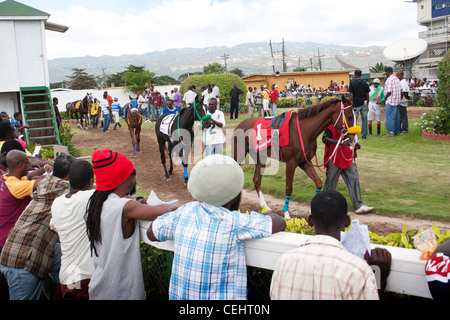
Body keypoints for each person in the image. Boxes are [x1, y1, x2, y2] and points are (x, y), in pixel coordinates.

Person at [147, 154, 286, 300]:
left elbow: (151, 232)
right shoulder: (234, 222)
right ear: (233, 197)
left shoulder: (184, 211)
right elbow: (278, 222)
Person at [85, 149, 178, 300]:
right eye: (132, 175)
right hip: (122, 292)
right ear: (124, 179)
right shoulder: (125, 207)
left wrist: (139, 201)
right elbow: (164, 210)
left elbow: (124, 206)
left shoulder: (97, 202)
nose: (134, 179)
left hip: (99, 287)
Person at [270, 190, 391, 300]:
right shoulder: (358, 270)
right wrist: (380, 279)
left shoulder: (284, 262)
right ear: (347, 221)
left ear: (310, 221)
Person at [0, 154, 75, 300]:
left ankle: (64, 291)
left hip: (16, 250)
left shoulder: (44, 183)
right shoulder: (64, 188)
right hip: (22, 261)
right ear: (68, 175)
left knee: (68, 255)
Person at [50, 161, 95, 300]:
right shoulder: (90, 197)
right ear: (90, 181)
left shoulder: (57, 203)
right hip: (84, 276)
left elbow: (53, 225)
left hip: (67, 274)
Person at [322, 124, 373, 214]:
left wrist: (355, 143)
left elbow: (351, 139)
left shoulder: (349, 125)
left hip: (348, 157)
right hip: (334, 158)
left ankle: (359, 205)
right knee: (330, 183)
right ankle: (326, 206)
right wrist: (338, 142)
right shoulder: (331, 126)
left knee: (354, 179)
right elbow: (324, 139)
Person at [348, 69, 370, 139]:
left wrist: (349, 102)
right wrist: (367, 103)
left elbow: (351, 95)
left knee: (355, 120)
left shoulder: (352, 83)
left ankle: (355, 134)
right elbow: (367, 94)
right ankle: (364, 134)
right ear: (361, 74)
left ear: (355, 74)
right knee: (364, 119)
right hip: (364, 103)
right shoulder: (365, 83)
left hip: (356, 103)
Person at [383, 66, 402, 137]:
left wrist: (384, 98)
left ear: (387, 72)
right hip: (397, 101)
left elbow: (389, 92)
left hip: (390, 101)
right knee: (396, 117)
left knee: (389, 117)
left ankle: (391, 132)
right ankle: (397, 131)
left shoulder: (389, 80)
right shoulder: (396, 79)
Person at [397, 70, 409, 134]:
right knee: (400, 116)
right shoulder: (401, 82)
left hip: (402, 102)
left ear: (402, 75)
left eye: (398, 75)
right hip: (401, 102)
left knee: (403, 116)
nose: (397, 76)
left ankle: (404, 129)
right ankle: (401, 129)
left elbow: (403, 92)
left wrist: (398, 100)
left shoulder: (403, 82)